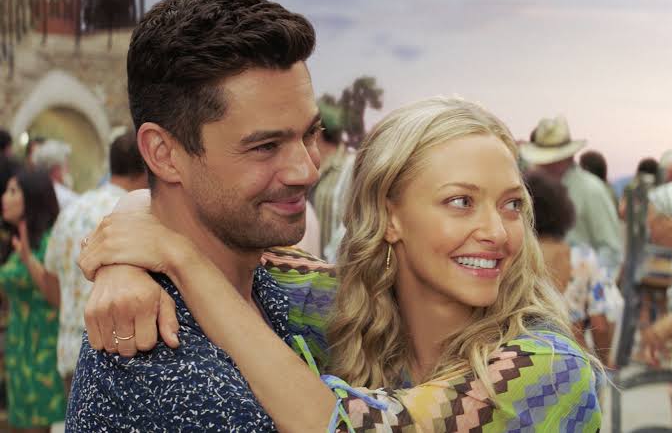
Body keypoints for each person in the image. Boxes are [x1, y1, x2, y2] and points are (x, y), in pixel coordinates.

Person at [78, 97, 603, 431]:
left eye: (511, 205)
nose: (498, 231)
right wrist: (125, 262)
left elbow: (346, 428)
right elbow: (190, 225)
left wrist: (177, 259)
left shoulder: (548, 368)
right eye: (461, 202)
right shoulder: (339, 305)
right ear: (390, 217)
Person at [65, 0, 327, 431]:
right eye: (265, 147)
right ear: (164, 154)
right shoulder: (175, 381)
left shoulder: (267, 280)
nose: (306, 170)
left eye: (309, 134)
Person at [43, 131, 147, 397]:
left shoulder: (72, 209)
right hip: (120, 357)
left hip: (70, 352)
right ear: (146, 170)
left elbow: (50, 280)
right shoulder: (139, 214)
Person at [525, 170, 619, 365]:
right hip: (572, 358)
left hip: (522, 359)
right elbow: (600, 325)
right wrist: (604, 363)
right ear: (563, 210)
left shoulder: (513, 257)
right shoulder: (583, 258)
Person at [0, 168, 65, 432]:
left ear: (32, 196)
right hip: (20, 345)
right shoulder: (16, 241)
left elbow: (56, 295)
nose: (4, 197)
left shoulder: (49, 241)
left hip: (43, 349)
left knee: (38, 426)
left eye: (13, 191)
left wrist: (28, 257)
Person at [521, 116, 622, 274]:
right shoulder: (533, 188)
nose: (545, 164)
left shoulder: (591, 190)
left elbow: (610, 250)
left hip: (577, 282)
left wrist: (584, 278)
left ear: (567, 157)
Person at [310, 99, 355, 261]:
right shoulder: (308, 168)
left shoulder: (351, 166)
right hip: (307, 269)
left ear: (318, 131)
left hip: (338, 270)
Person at [31, 140, 78, 208]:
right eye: (66, 164)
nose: (68, 169)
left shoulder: (34, 187)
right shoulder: (66, 198)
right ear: (56, 168)